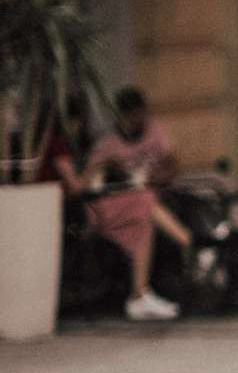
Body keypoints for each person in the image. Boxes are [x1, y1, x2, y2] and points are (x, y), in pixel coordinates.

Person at [56, 87, 196, 321]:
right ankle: (188, 243)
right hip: (107, 206)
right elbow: (83, 187)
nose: (138, 120)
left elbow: (173, 163)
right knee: (144, 202)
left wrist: (156, 178)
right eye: (133, 116)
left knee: (144, 213)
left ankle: (140, 295)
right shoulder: (106, 145)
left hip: (145, 198)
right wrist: (106, 166)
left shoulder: (155, 130)